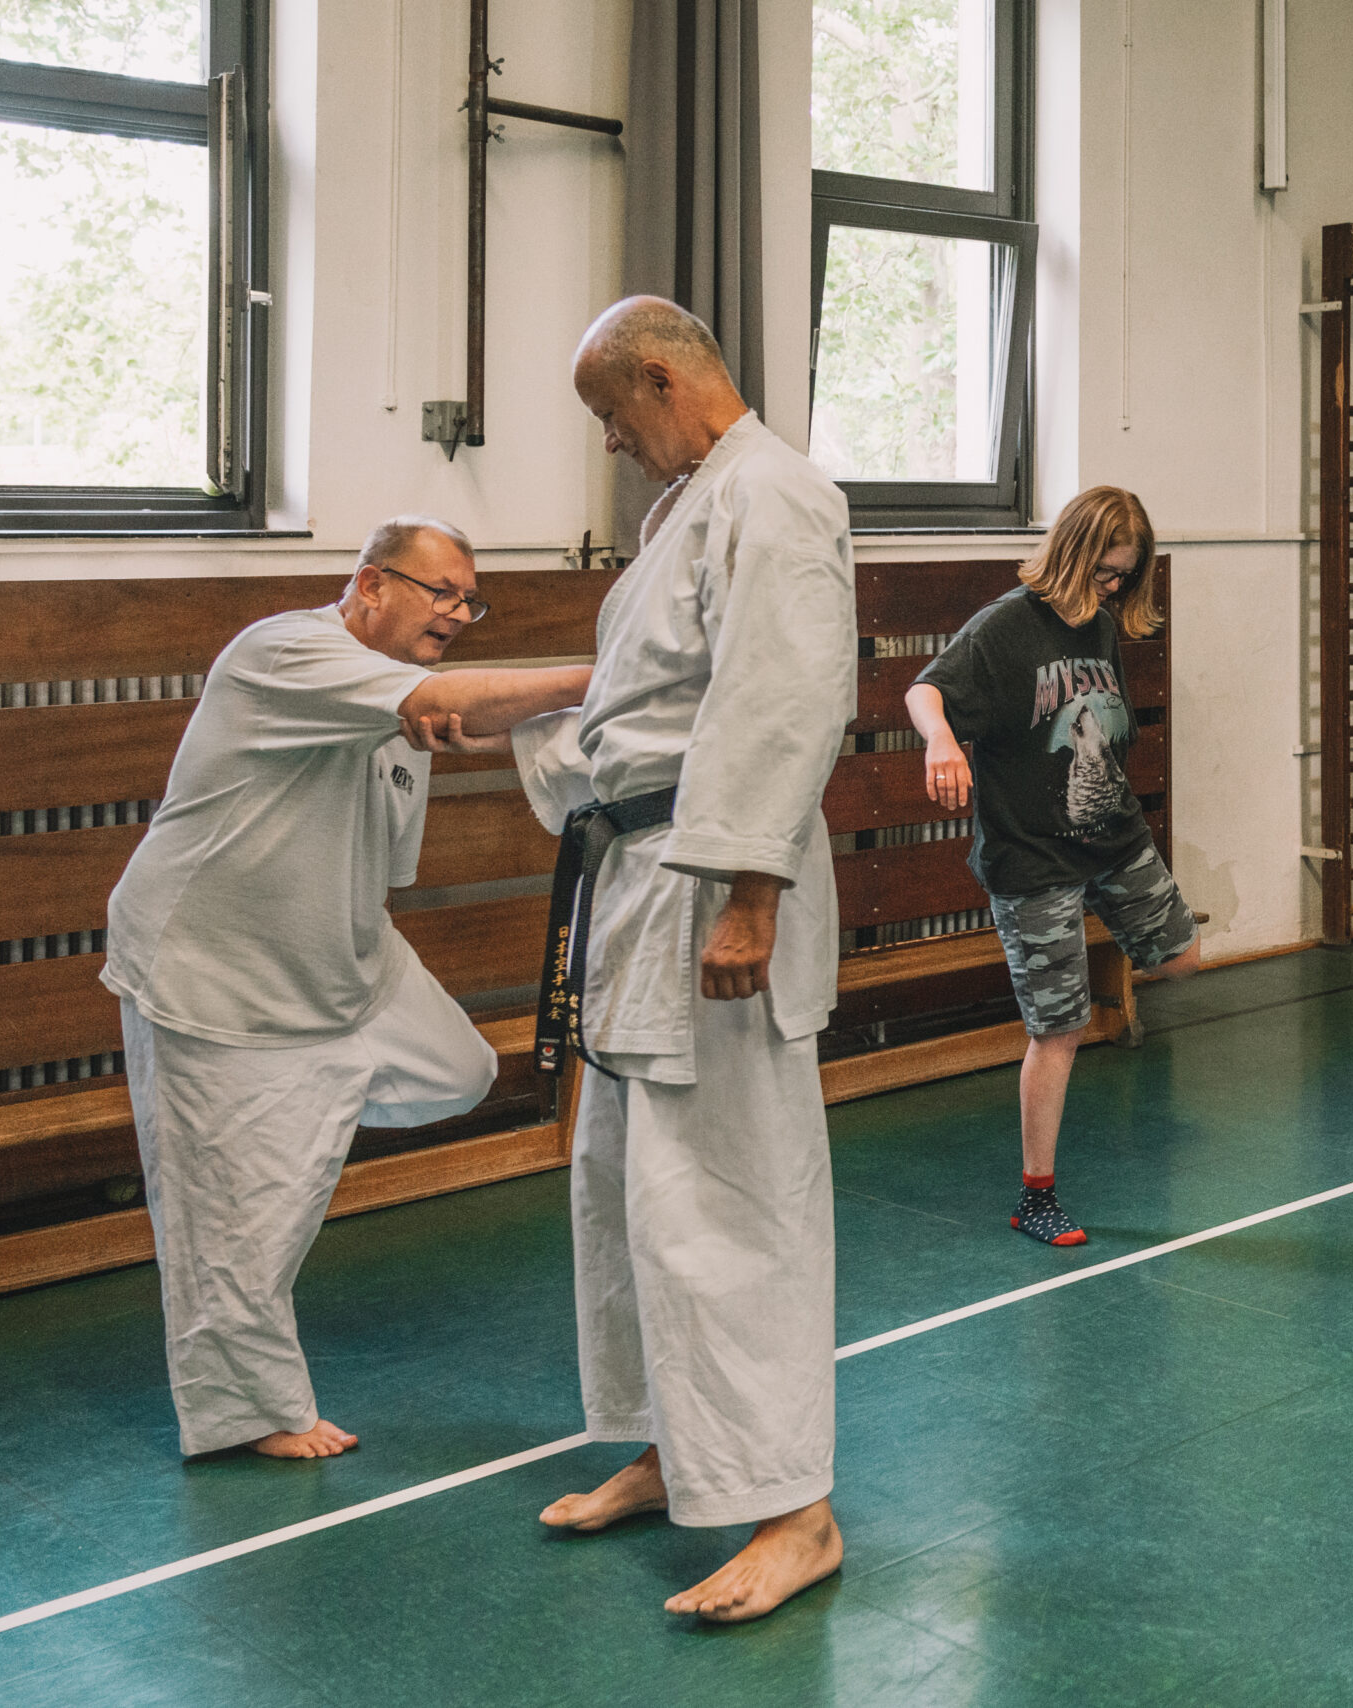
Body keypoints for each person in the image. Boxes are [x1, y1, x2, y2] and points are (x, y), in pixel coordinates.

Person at [461, 297, 853, 1621]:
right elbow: (649, 711)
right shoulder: (692, 506)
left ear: (661, 376)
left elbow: (784, 701)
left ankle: (794, 1510)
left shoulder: (773, 493)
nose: (611, 442)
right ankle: (674, 1448)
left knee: (731, 1205)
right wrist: (530, 738)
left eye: (610, 413)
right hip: (639, 886)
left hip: (711, 895)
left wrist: (751, 894)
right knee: (628, 1193)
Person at [103, 518, 590, 1460]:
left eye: (470, 601)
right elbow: (456, 697)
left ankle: (291, 1114)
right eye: (440, 592)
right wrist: (613, 677)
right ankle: (252, 1417)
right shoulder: (284, 650)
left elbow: (414, 802)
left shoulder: (399, 713)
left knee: (457, 1070)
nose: (456, 613)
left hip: (344, 962)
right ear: (370, 584)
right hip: (214, 975)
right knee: (233, 1231)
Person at [905, 486, 1203, 1249]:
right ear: (1072, 553)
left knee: (1182, 958)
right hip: (1032, 856)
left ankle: (1087, 920)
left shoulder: (1100, 625)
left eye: (1125, 576)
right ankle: (1036, 1196)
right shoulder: (1006, 627)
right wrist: (942, 741)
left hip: (1110, 836)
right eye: (1106, 572)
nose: (1113, 588)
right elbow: (924, 689)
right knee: (1060, 1028)